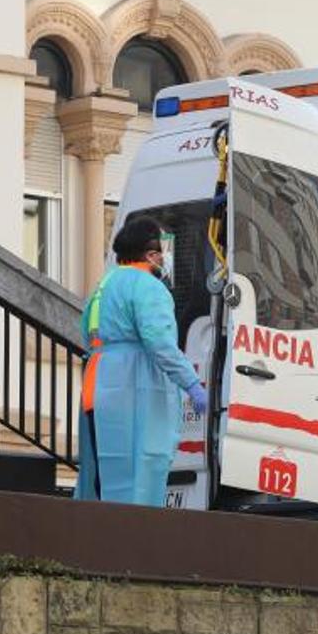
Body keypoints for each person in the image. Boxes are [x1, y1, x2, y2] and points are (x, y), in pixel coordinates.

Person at [74, 217, 208, 506]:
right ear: (151, 255)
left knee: (103, 479)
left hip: (96, 388)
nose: (165, 259)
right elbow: (161, 344)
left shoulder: (103, 286)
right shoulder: (149, 287)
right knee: (139, 474)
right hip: (133, 387)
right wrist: (193, 384)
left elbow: (86, 334)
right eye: (163, 252)